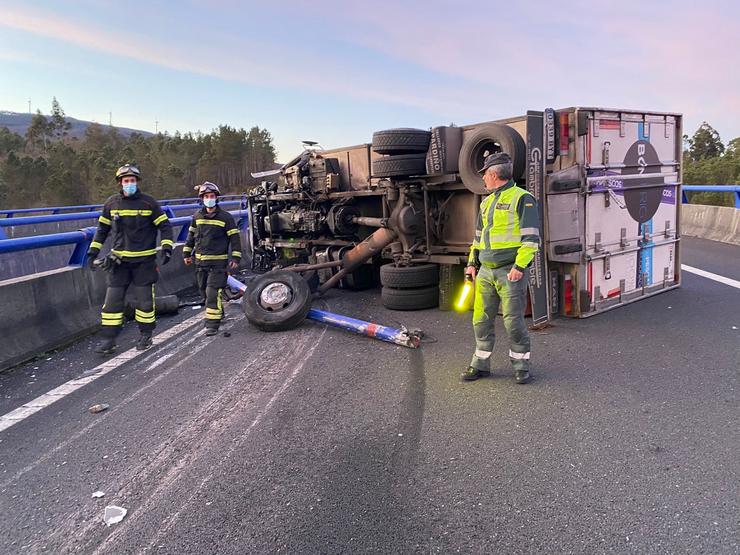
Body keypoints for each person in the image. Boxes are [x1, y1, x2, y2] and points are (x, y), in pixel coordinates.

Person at [462, 152, 541, 384]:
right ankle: (480, 365)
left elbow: (531, 239)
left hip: (510, 271)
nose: (484, 179)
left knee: (513, 321)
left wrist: (519, 266)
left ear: (494, 174)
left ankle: (521, 366)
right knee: (481, 319)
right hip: (486, 270)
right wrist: (471, 263)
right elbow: (477, 238)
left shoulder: (523, 198)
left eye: (485, 174)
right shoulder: (486, 202)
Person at [87, 164, 174, 353]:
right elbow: (102, 230)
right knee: (112, 302)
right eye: (126, 181)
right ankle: (109, 340)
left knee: (144, 303)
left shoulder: (149, 203)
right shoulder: (111, 204)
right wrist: (93, 252)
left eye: (132, 181)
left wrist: (167, 247)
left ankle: (145, 336)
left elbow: (165, 226)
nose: (129, 184)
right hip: (119, 263)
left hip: (144, 262)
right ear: (120, 183)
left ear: (137, 182)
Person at [183, 182, 242, 336]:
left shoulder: (226, 218)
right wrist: (186, 254)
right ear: (202, 199)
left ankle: (212, 324)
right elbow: (190, 237)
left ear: (217, 198)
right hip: (200, 263)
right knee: (203, 290)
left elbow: (235, 239)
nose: (209, 199)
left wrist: (236, 257)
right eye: (206, 196)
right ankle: (218, 312)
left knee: (212, 292)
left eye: (212, 196)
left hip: (218, 264)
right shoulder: (197, 217)